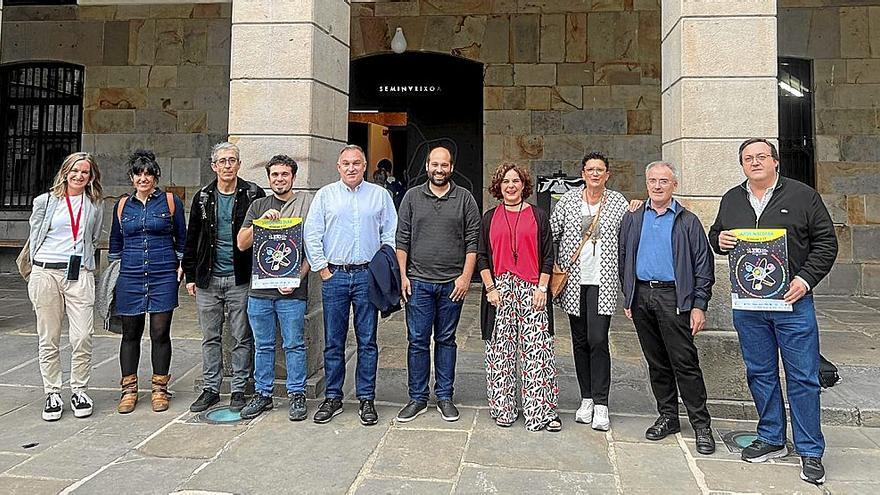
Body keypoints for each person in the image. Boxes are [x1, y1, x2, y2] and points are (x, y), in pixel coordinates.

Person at [709, 138, 837, 485]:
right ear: (742, 165)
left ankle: (810, 451)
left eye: (761, 156)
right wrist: (718, 240)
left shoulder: (802, 196)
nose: (754, 162)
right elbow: (717, 235)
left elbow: (827, 243)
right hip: (750, 307)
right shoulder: (732, 198)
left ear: (775, 162)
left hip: (792, 303)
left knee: (803, 378)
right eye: (748, 158)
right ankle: (771, 438)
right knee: (760, 373)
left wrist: (806, 280)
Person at [618, 161, 716, 454]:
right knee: (656, 362)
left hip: (674, 297)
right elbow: (624, 256)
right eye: (652, 181)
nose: (657, 186)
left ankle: (701, 425)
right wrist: (629, 295)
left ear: (674, 185)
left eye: (664, 181)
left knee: (684, 362)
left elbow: (703, 265)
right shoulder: (634, 217)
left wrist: (699, 305)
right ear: (646, 183)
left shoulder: (687, 221)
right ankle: (668, 416)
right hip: (643, 296)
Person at [304, 144, 397, 426]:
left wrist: (382, 269)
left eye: (357, 163)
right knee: (334, 341)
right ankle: (333, 397)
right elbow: (312, 232)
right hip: (335, 276)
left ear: (365, 165)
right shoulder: (325, 196)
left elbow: (390, 234)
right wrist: (321, 269)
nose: (351, 168)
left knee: (367, 341)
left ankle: (366, 399)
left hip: (368, 276)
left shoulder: (380, 196)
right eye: (346, 163)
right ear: (338, 166)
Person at [394, 146, 481, 423]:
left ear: (451, 167)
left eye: (444, 165)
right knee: (417, 341)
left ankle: (444, 396)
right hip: (418, 283)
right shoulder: (411, 197)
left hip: (451, 284)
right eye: (435, 165)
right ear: (427, 166)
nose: (439, 170)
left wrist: (466, 277)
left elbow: (473, 242)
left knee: (446, 340)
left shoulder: (464, 198)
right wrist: (403, 276)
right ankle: (417, 398)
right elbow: (402, 240)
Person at [549, 151, 630, 431]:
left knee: (598, 339)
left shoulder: (618, 202)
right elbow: (552, 233)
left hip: (602, 280)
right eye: (590, 169)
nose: (595, 174)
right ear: (582, 174)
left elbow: (631, 231)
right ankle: (586, 398)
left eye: (600, 170)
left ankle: (602, 402)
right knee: (580, 340)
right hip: (574, 281)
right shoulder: (569, 201)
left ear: (607, 174)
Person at [477, 162, 560, 432]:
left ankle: (541, 412)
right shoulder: (489, 217)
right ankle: (503, 408)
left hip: (533, 288)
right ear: (498, 187)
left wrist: (542, 288)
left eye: (515, 181)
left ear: (524, 185)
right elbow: (481, 256)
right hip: (499, 290)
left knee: (537, 352)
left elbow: (548, 254)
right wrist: (490, 289)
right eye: (505, 182)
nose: (511, 186)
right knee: (500, 351)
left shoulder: (538, 216)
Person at [183, 142, 265, 413]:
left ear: (239, 164)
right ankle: (211, 388)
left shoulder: (253, 194)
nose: (228, 165)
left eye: (232, 160)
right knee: (210, 336)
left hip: (240, 277)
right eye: (223, 161)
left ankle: (240, 388)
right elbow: (192, 236)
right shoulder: (203, 197)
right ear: (214, 166)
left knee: (242, 336)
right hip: (208, 278)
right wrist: (191, 274)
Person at [27, 152, 104, 421]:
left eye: (85, 172)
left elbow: (92, 238)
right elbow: (35, 236)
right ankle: (52, 392)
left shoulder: (94, 204)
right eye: (75, 171)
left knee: (82, 335)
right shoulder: (45, 201)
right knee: (49, 336)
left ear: (91, 176)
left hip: (78, 273)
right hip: (46, 271)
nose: (79, 176)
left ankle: (79, 388)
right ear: (65, 172)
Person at [109, 150, 186, 414]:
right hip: (130, 274)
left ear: (155, 177)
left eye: (148, 174)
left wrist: (180, 265)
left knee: (160, 333)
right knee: (130, 333)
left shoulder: (170, 202)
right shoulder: (122, 206)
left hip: (163, 273)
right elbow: (115, 244)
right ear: (131, 178)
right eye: (139, 174)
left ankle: (159, 388)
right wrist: (115, 273)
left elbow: (182, 238)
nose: (144, 178)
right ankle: (129, 390)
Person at [235, 155, 312, 421]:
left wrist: (296, 280)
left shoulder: (305, 205)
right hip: (260, 291)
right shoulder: (258, 206)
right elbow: (242, 244)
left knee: (294, 344)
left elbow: (312, 250)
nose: (279, 179)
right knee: (263, 345)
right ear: (268, 178)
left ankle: (297, 394)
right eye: (275, 175)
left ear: (293, 177)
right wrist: (260, 224)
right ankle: (263, 394)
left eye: (284, 174)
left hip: (292, 292)